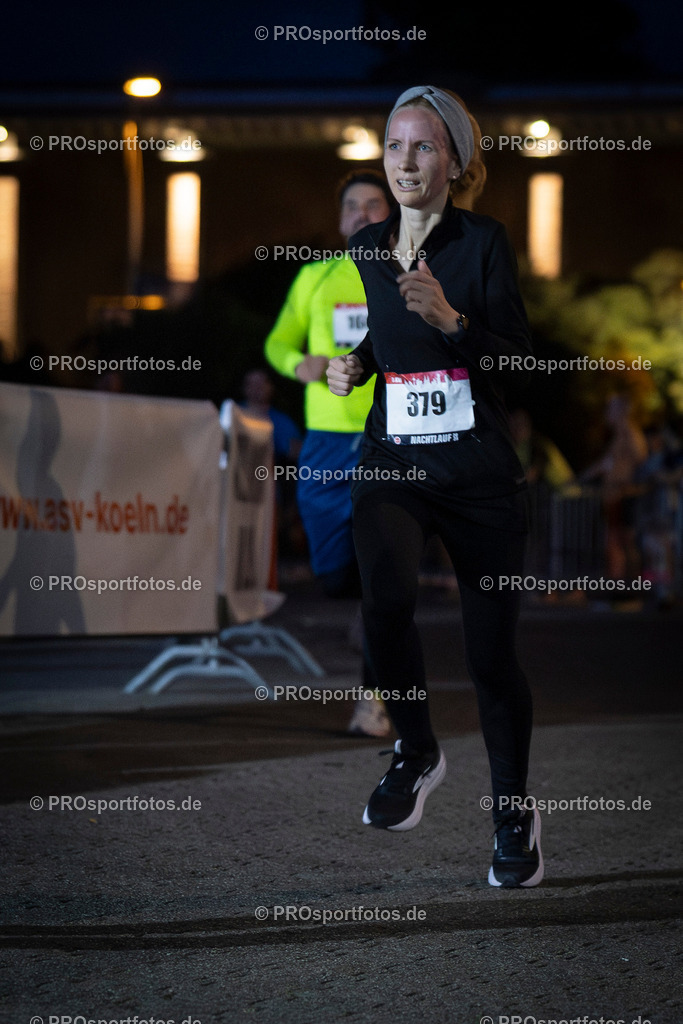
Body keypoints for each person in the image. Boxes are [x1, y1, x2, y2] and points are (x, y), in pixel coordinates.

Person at [327, 85, 543, 887]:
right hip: (394, 461)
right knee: (382, 596)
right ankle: (414, 749)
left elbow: (520, 362)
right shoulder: (365, 248)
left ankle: (513, 813)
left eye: (423, 147)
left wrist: (454, 321)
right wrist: (357, 367)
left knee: (491, 659)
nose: (406, 161)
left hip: (478, 473)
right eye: (393, 147)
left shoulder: (484, 243)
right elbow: (388, 350)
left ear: (454, 160)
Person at [265, 168, 395, 738]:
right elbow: (277, 342)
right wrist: (302, 366)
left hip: (388, 439)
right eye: (352, 206)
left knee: (382, 577)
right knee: (336, 578)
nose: (362, 213)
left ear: (391, 215)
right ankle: (370, 616)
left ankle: (376, 694)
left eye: (374, 204)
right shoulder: (316, 277)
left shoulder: (408, 275)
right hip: (324, 444)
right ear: (340, 219)